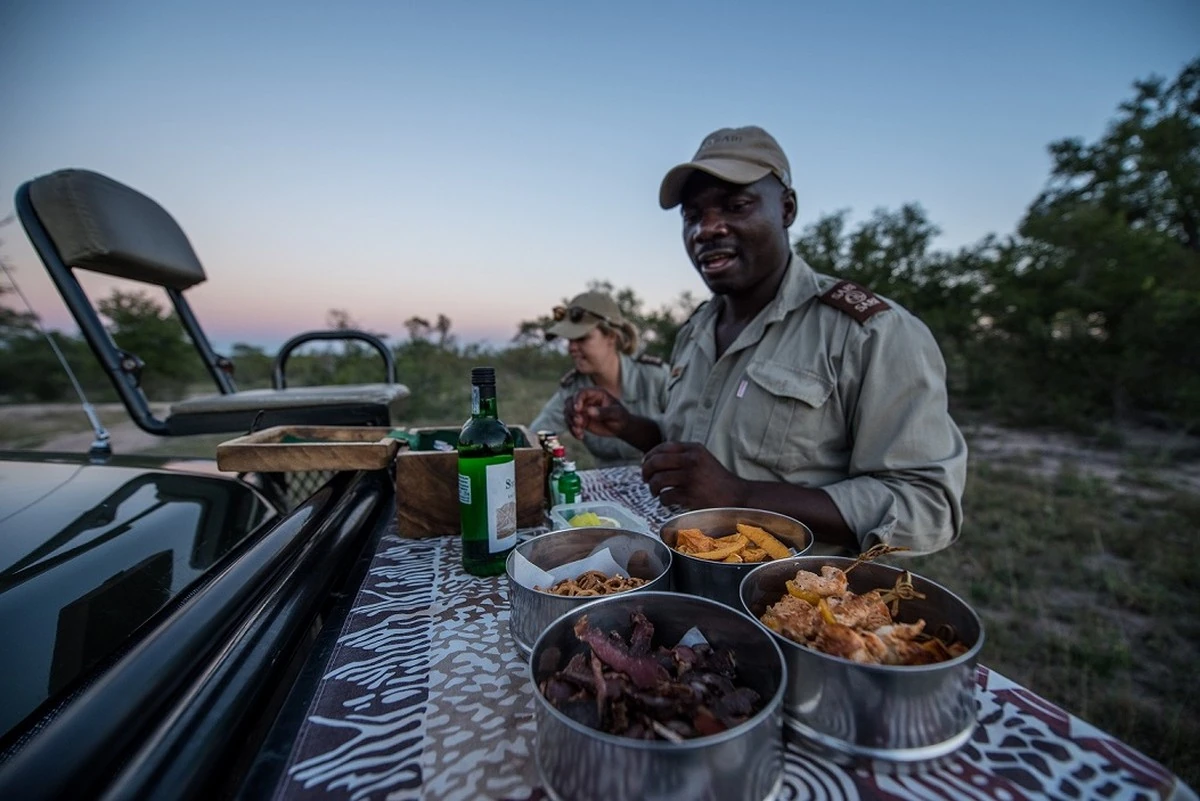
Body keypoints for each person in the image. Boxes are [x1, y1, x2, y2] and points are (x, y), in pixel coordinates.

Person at [565, 126, 968, 556]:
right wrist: (633, 427)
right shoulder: (697, 329)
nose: (707, 229)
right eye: (692, 215)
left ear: (787, 208)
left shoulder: (868, 333)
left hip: (791, 605)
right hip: (684, 575)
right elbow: (702, 443)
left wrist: (743, 497)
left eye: (735, 205)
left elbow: (928, 506)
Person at [529, 291, 669, 468]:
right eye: (569, 340)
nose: (571, 348)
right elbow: (535, 435)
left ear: (611, 336)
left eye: (582, 338)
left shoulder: (655, 376)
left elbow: (690, 433)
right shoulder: (574, 388)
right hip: (605, 489)